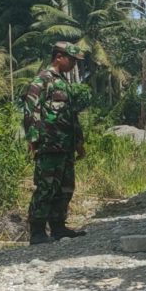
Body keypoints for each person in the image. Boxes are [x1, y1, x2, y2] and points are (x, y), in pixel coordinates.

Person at [22, 41, 91, 245]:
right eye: (71, 60)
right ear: (59, 57)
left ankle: (59, 227)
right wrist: (33, 139)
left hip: (66, 146)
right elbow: (30, 110)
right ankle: (37, 231)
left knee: (66, 187)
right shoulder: (43, 80)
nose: (73, 65)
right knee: (46, 187)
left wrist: (79, 142)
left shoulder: (64, 84)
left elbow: (71, 116)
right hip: (49, 144)